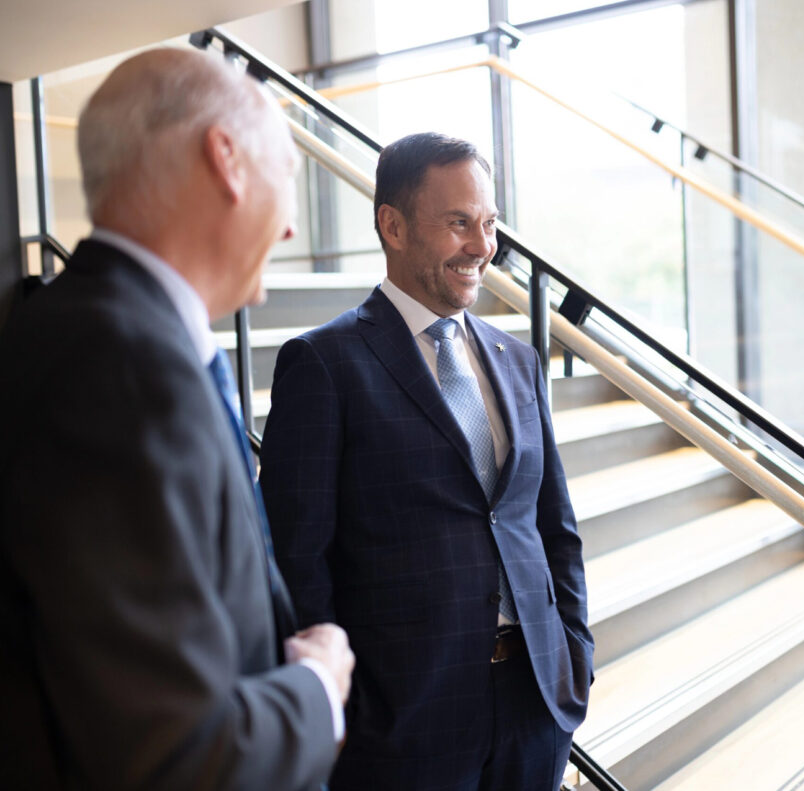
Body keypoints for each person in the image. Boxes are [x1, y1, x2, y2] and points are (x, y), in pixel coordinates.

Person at [0, 48, 355, 790]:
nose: (291, 229)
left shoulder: (93, 339)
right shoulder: (119, 370)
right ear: (226, 159)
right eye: (288, 175)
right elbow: (175, 754)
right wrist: (319, 686)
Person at [259, 132, 593, 790]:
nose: (482, 246)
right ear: (393, 225)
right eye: (459, 223)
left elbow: (553, 524)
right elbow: (296, 561)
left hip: (534, 703)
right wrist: (344, 709)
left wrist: (573, 654)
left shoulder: (518, 359)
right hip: (405, 725)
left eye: (490, 223)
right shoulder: (324, 365)